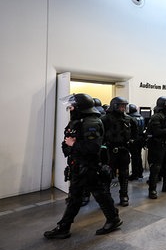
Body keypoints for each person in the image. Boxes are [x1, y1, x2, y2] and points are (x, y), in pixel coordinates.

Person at [44, 93, 122, 239]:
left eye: (72, 105)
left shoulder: (91, 122)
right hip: (78, 166)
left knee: (98, 195)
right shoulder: (77, 121)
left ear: (81, 107)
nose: (70, 108)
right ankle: (65, 226)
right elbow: (66, 143)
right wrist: (70, 146)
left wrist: (73, 145)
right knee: (77, 197)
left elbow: (92, 148)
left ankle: (112, 219)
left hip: (89, 167)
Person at [101, 97, 138, 207]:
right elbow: (100, 136)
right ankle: (106, 198)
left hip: (123, 151)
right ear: (114, 106)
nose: (123, 108)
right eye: (121, 106)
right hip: (109, 151)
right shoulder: (104, 119)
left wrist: (132, 142)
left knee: (124, 174)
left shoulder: (129, 119)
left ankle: (124, 195)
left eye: (124, 106)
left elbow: (135, 134)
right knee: (106, 175)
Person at [146, 96, 166, 198]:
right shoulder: (156, 117)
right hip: (157, 146)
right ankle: (152, 190)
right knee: (156, 168)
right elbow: (157, 132)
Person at [127, 103, 146, 181]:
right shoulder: (141, 117)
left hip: (134, 140)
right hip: (141, 139)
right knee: (138, 156)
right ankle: (140, 173)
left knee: (134, 157)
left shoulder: (131, 118)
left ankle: (135, 174)